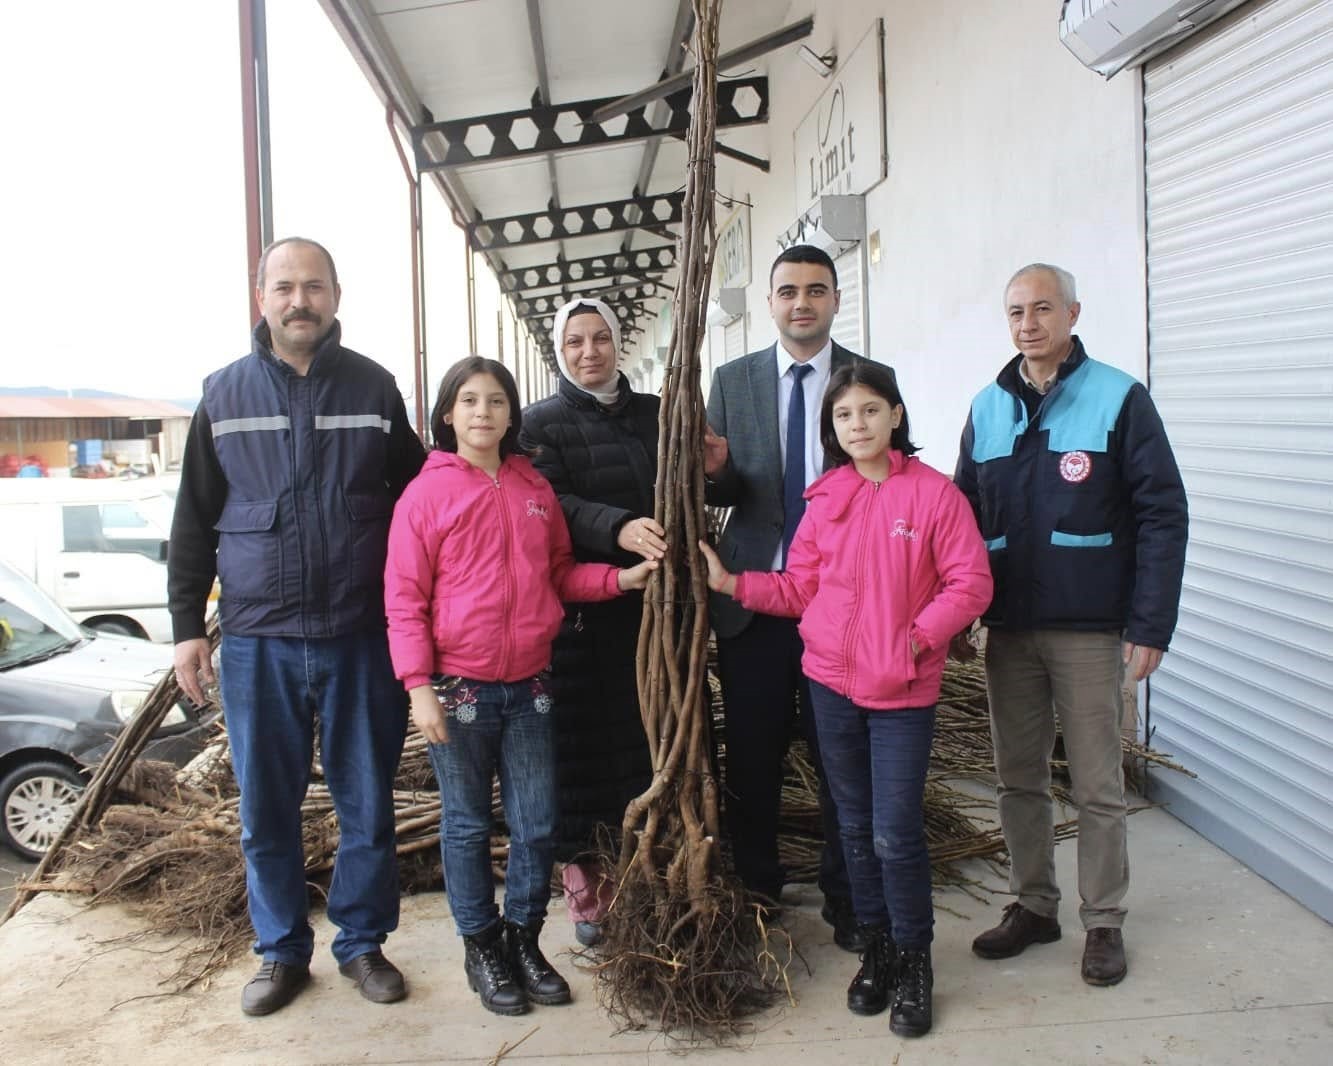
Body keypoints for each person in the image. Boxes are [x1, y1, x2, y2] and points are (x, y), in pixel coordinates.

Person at [167, 237, 426, 1016]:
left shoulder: (374, 388)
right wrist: (187, 625)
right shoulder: (223, 395)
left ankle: (362, 944)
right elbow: (192, 519)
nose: (298, 301)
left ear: (335, 296)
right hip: (258, 640)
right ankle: (281, 952)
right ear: (261, 297)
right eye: (284, 287)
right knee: (266, 810)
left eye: (313, 286)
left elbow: (421, 501)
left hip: (360, 634)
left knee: (366, 804)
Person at [701, 362, 992, 1038]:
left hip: (901, 692)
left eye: (868, 411)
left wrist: (917, 640)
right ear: (831, 429)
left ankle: (915, 960)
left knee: (895, 831)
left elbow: (970, 583)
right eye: (842, 415)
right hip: (831, 685)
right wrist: (733, 583)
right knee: (855, 828)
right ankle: (878, 948)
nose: (856, 424)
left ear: (895, 416)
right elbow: (801, 588)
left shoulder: (934, 496)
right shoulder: (827, 495)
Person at [383, 357, 655, 1017]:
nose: (483, 412)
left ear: (512, 414)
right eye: (469, 401)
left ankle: (524, 940)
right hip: (458, 688)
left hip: (530, 682)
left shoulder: (533, 487)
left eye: (496, 401)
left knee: (536, 824)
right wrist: (417, 685)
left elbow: (559, 573)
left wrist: (617, 580)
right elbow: (403, 597)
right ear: (448, 414)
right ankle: (481, 946)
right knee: (467, 824)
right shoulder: (426, 494)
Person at [954, 263, 1188, 987]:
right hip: (1009, 629)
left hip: (1089, 627)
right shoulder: (987, 406)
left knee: (1095, 783)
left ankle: (1103, 920)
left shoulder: (1118, 397)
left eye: (1042, 309)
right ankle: (1034, 906)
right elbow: (960, 519)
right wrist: (957, 613)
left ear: (1072, 314)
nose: (1028, 324)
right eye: (1016, 312)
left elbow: (1162, 513)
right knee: (1017, 778)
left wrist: (1150, 624)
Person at [703, 244, 873, 950]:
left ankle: (849, 899)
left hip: (842, 606)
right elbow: (717, 491)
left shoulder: (868, 378)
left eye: (815, 289)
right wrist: (716, 473)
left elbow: (887, 475)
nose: (801, 302)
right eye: (788, 291)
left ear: (835, 298)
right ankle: (756, 891)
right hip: (754, 603)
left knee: (843, 761)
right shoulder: (732, 379)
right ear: (770, 302)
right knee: (752, 759)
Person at [518, 297, 661, 947]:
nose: (589, 352)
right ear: (559, 351)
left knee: (647, 742)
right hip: (578, 612)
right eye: (574, 342)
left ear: (617, 341)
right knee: (580, 754)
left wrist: (716, 470)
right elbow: (553, 502)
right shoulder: (538, 424)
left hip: (654, 608)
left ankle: (648, 874)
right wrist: (619, 528)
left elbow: (693, 486)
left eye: (600, 338)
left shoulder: (655, 413)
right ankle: (587, 890)